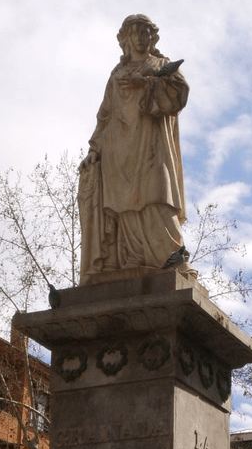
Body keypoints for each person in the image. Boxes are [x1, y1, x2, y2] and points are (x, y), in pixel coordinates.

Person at [78, 15, 194, 281]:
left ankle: (173, 261)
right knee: (124, 208)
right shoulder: (117, 74)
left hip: (151, 147)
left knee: (157, 199)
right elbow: (105, 115)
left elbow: (179, 94)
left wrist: (146, 83)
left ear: (152, 38)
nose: (140, 38)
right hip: (118, 153)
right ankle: (129, 262)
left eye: (145, 33)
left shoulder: (161, 65)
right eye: (135, 33)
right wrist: (94, 150)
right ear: (126, 39)